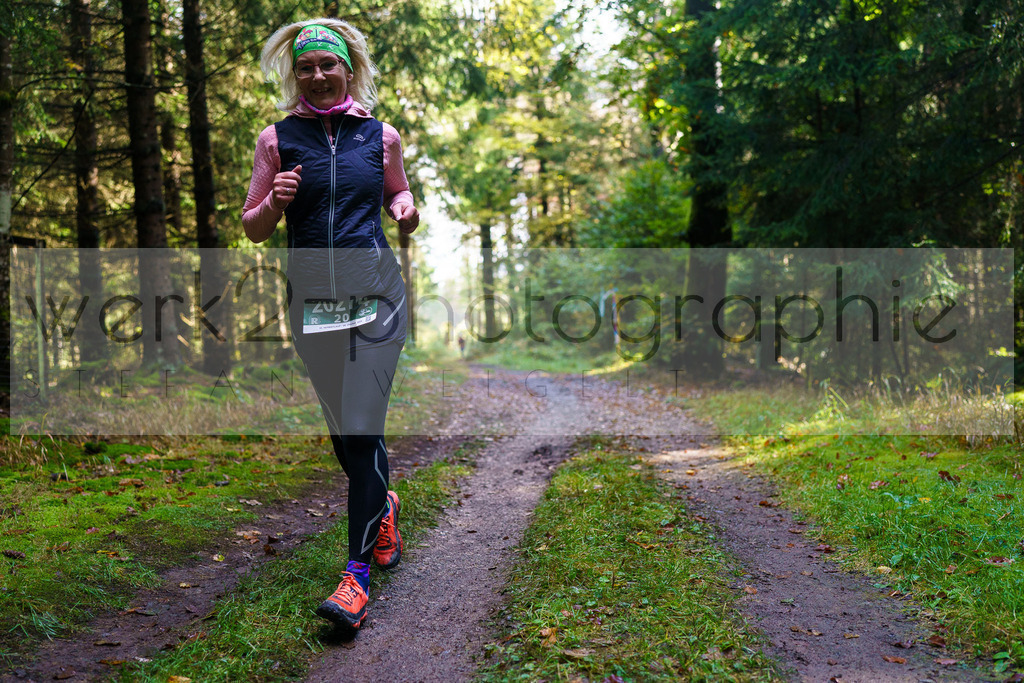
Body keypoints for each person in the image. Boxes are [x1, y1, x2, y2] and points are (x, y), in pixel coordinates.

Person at [243, 18, 419, 632]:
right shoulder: (277, 139)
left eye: (329, 65)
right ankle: (385, 504)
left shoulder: (381, 135)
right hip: (314, 305)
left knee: (364, 431)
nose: (318, 76)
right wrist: (276, 202)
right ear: (297, 74)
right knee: (346, 439)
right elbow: (253, 225)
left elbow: (398, 195)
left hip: (377, 300)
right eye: (307, 67)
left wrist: (405, 207)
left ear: (350, 69)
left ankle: (356, 578)